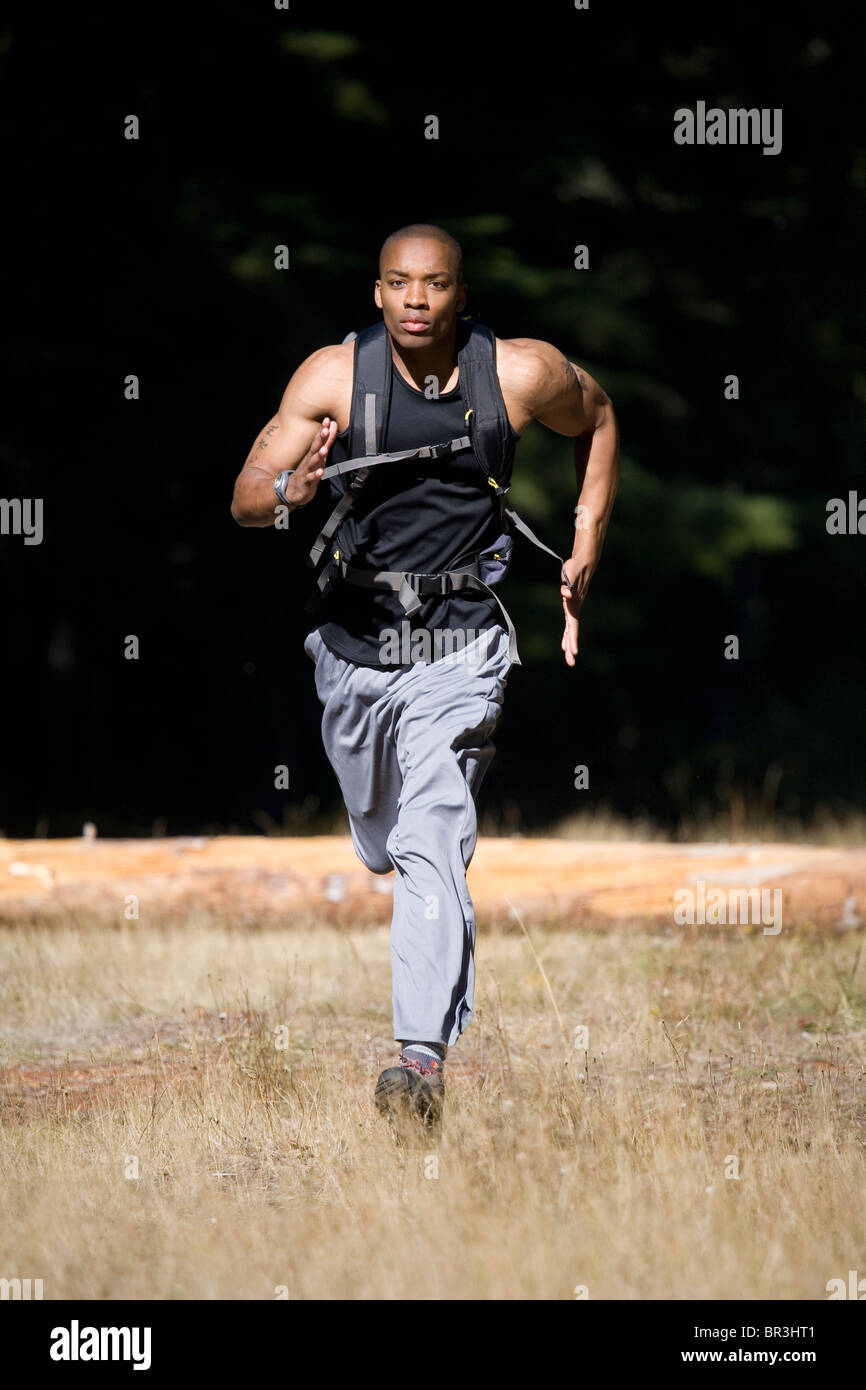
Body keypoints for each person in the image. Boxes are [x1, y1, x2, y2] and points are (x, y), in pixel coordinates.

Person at [230, 224, 619, 1127]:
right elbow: (247, 492)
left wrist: (589, 534)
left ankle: (419, 1063)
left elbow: (597, 419)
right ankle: (397, 867)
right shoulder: (334, 376)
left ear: (459, 295)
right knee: (384, 839)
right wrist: (291, 493)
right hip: (355, 652)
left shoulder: (519, 375)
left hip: (462, 643)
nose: (415, 300)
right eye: (399, 284)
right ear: (377, 294)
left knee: (432, 835)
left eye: (434, 285)